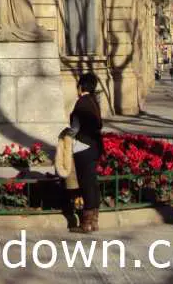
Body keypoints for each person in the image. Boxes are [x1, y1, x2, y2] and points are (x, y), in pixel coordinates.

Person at [66, 72, 103, 233]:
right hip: (95, 146)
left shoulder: (81, 103)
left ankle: (86, 223)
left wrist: (66, 135)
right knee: (92, 183)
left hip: (83, 147)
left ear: (81, 86)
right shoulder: (94, 101)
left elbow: (75, 128)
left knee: (86, 184)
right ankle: (94, 220)